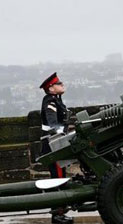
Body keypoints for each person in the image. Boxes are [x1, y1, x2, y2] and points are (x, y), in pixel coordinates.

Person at [39, 72, 73, 224]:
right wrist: (61, 132)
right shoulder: (50, 102)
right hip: (53, 146)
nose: (61, 84)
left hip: (58, 144)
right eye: (58, 84)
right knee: (58, 179)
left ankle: (60, 213)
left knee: (61, 178)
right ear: (51, 89)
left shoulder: (57, 100)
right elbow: (53, 124)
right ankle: (57, 215)